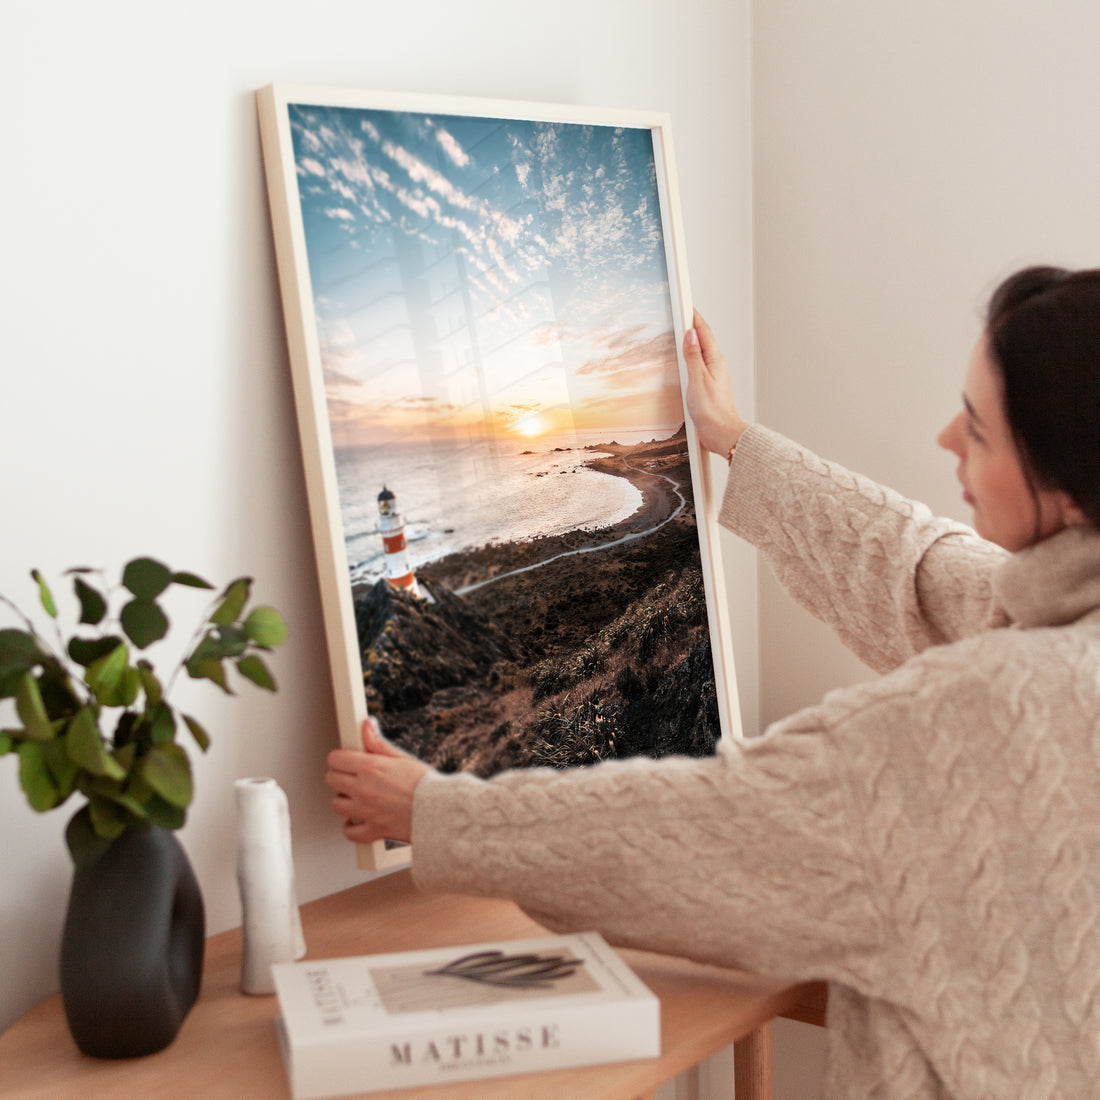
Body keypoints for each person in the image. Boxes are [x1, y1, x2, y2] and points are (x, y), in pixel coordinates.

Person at [325, 265, 1100, 1099]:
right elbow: (916, 568)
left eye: (978, 429)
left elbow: (705, 828)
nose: (947, 437)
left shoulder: (982, 716)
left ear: (1068, 488)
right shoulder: (1061, 622)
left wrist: (435, 813)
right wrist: (733, 439)